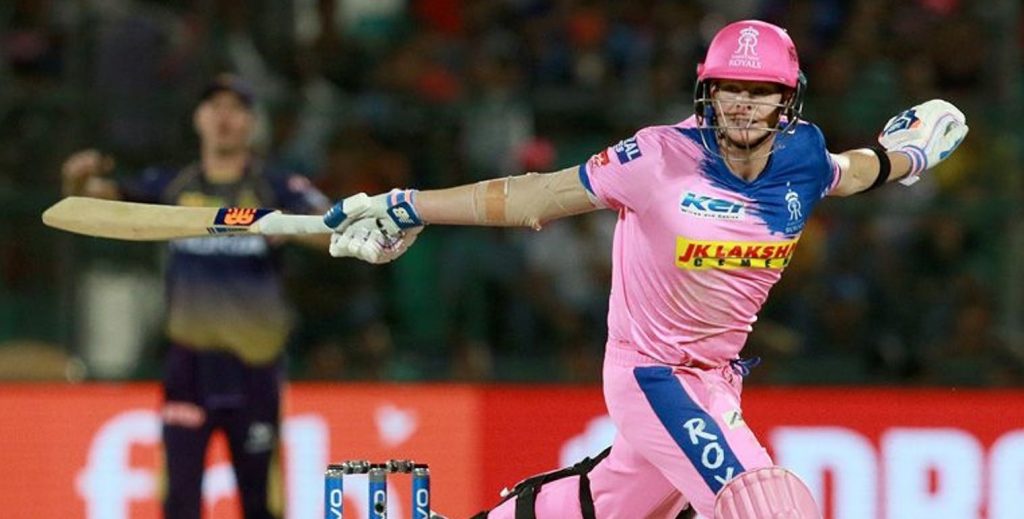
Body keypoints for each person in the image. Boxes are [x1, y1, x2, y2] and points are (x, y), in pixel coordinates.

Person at [324, 20, 968, 519]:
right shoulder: (656, 159)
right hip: (651, 375)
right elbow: (534, 198)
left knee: (608, 505)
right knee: (765, 504)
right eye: (730, 89)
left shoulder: (804, 157)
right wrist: (410, 205)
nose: (743, 105)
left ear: (786, 100)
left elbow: (852, 172)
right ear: (708, 92)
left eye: (760, 92)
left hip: (716, 382)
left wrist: (908, 156)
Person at [61, 74, 333, 519]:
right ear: (198, 118)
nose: (224, 117)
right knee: (180, 501)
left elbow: (332, 230)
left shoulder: (277, 188)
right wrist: (76, 180)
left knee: (261, 503)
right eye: (215, 107)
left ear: (251, 122)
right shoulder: (172, 186)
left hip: (255, 367)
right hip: (189, 366)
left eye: (236, 108)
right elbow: (96, 206)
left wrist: (286, 224)